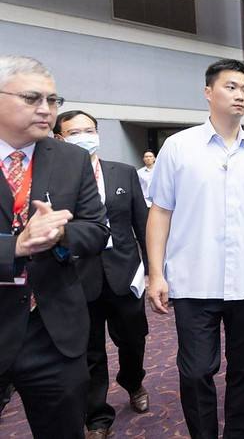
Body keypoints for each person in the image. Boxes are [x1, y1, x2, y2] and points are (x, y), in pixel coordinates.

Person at [146, 59, 244, 438]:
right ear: (208, 93)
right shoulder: (178, 147)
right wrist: (155, 272)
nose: (240, 96)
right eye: (231, 87)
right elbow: (160, 211)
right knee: (197, 370)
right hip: (194, 278)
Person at [0, 56, 110, 438]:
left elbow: (96, 230)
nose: (46, 109)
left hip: (53, 333)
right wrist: (16, 248)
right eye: (32, 98)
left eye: (53, 99)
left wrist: (61, 235)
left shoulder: (71, 159)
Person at [54, 110, 150, 439]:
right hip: (81, 277)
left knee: (133, 340)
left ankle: (133, 381)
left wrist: (151, 271)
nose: (84, 136)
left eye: (89, 130)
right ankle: (97, 417)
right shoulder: (56, 181)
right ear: (59, 139)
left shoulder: (123, 173)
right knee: (90, 350)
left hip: (125, 273)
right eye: (75, 131)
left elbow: (143, 224)